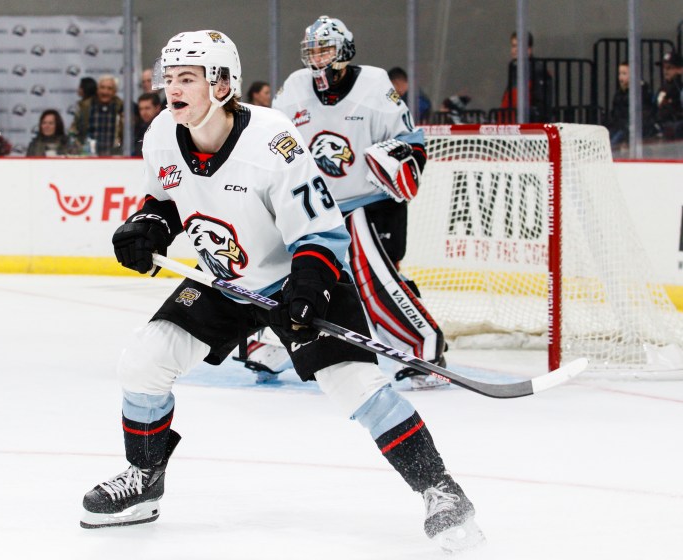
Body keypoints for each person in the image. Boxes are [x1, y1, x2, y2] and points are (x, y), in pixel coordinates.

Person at [79, 29, 484, 554]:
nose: (172, 89)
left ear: (222, 85)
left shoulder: (272, 141)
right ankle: (143, 478)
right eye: (169, 78)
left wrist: (310, 287)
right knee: (144, 360)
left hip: (299, 278)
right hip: (224, 281)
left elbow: (319, 231)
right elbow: (167, 199)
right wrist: (148, 226)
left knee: (357, 387)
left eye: (187, 79)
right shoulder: (161, 133)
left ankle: (441, 490)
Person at [240, 16, 447, 390]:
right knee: (298, 277)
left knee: (372, 280)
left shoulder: (374, 84)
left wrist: (396, 159)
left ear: (345, 50)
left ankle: (425, 351)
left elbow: (411, 142)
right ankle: (274, 346)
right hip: (318, 208)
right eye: (312, 51)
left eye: (325, 50)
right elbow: (273, 141)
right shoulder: (294, 88)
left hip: (371, 204)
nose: (318, 58)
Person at [69, 74, 129, 155]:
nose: (105, 92)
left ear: (115, 92)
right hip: (89, 156)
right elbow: (74, 130)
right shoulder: (85, 107)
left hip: (114, 156)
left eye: (109, 88)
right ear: (97, 89)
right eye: (102, 87)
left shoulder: (122, 108)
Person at [499, 32, 552, 123]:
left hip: (527, 125)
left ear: (529, 50)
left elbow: (541, 104)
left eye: (518, 47)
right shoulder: (516, 69)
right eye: (513, 46)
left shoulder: (536, 70)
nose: (515, 50)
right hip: (515, 123)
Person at [605, 61, 655, 148]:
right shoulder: (619, 94)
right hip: (618, 127)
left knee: (612, 145)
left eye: (624, 74)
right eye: (620, 74)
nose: (621, 77)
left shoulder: (641, 92)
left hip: (628, 129)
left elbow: (643, 114)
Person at [654, 51, 683, 139]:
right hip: (660, 127)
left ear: (680, 70)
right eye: (664, 68)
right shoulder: (662, 88)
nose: (665, 71)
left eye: (669, 68)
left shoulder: (680, 89)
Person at [133, 92, 162, 156]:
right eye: (141, 109)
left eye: (147, 108)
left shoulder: (165, 128)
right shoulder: (138, 129)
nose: (144, 112)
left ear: (157, 108)